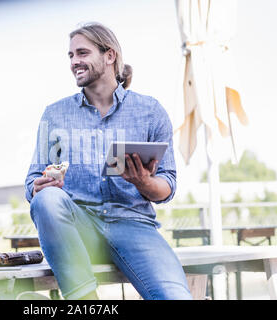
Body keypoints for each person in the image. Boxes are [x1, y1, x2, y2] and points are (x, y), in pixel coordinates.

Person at [24, 22, 192, 300]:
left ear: (109, 55)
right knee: (47, 199)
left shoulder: (150, 111)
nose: (74, 62)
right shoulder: (54, 115)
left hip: (133, 225)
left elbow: (167, 187)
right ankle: (84, 300)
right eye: (70, 56)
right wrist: (40, 187)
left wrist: (145, 182)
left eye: (82, 53)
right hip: (78, 227)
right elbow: (31, 183)